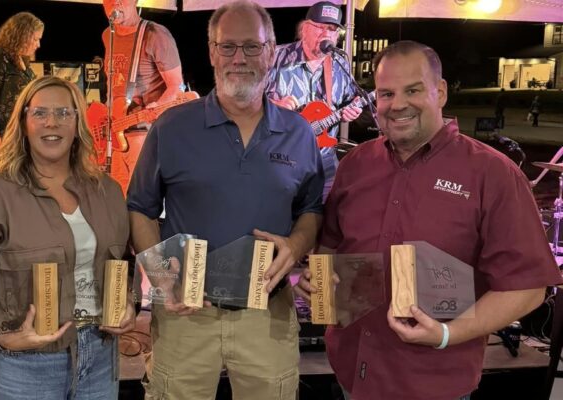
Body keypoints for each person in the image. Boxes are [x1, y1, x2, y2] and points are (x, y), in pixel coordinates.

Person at [294, 40, 562, 400]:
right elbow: (331, 245)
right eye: (387, 93)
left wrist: (447, 334)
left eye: (413, 90)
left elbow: (529, 288)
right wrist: (319, 279)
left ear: (441, 92)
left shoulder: (492, 173)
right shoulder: (355, 164)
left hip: (433, 383)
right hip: (350, 373)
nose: (398, 104)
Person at [127, 1, 323, 398]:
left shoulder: (298, 133)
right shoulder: (172, 127)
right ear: (212, 52)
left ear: (270, 52)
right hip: (187, 316)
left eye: (252, 46)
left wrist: (297, 244)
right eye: (228, 46)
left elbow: (311, 209)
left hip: (268, 313)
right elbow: (141, 209)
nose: (239, 58)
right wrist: (165, 278)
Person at [0, 76, 134, 400]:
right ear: (23, 123)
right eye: (40, 113)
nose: (52, 122)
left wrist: (128, 304)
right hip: (25, 366)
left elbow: (119, 269)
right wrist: (3, 337)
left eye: (64, 113)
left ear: (78, 123)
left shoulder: (109, 192)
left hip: (100, 357)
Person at [265, 1, 362, 198]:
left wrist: (354, 109)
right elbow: (243, 101)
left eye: (333, 29)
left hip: (323, 163)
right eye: (320, 27)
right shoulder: (274, 57)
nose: (327, 34)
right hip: (278, 160)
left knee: (323, 220)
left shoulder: (339, 64)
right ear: (304, 29)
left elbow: (351, 99)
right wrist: (274, 106)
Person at [101, 0, 183, 195]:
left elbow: (176, 85)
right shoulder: (107, 35)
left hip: (144, 132)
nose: (116, 3)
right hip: (114, 133)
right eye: (109, 0)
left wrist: (159, 104)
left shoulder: (155, 34)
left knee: (139, 201)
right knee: (116, 199)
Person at [0, 12, 44, 175]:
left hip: (16, 138)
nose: (38, 44)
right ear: (22, 35)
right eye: (35, 38)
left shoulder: (21, 61)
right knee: (4, 186)